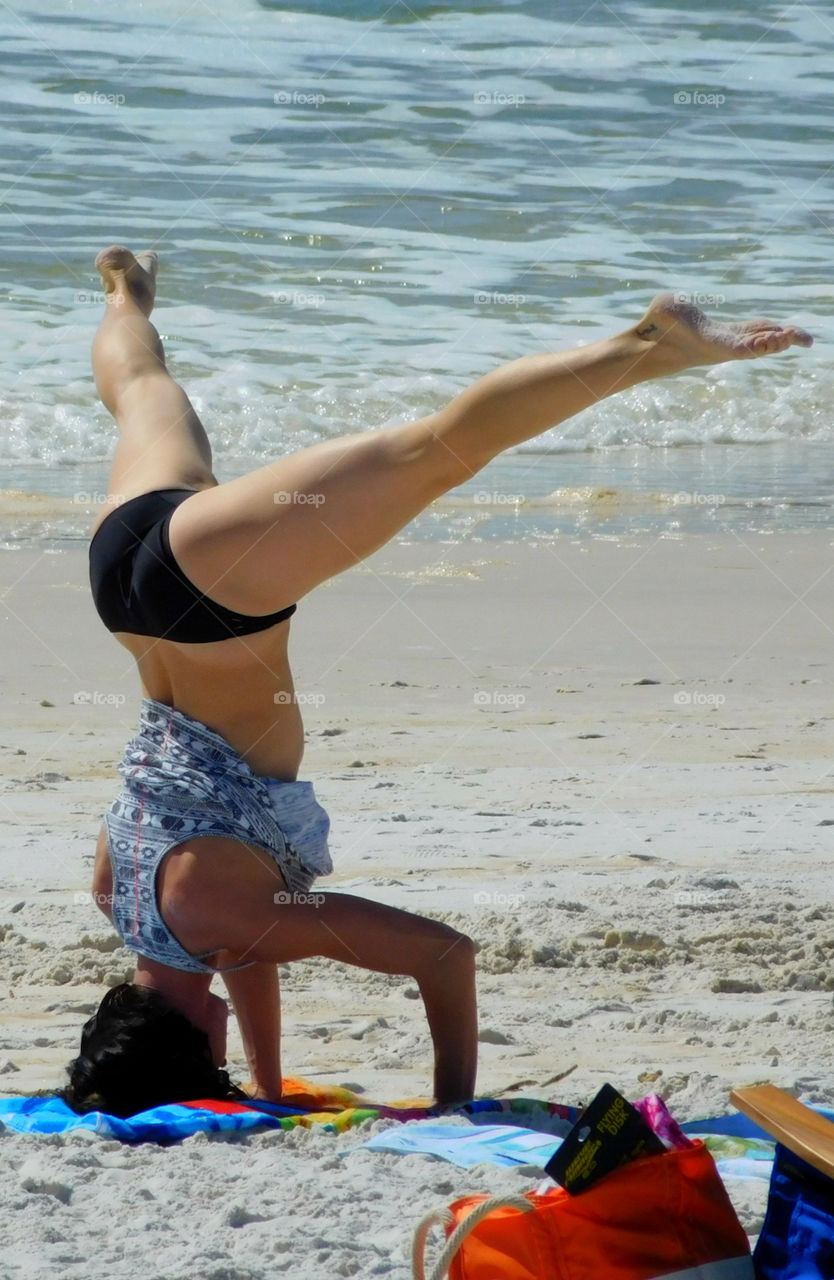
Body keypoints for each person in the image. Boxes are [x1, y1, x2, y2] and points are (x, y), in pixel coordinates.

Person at [64, 246, 812, 1117]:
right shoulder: (124, 897)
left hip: (218, 602)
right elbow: (238, 948)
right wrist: (267, 1087)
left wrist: (454, 1109)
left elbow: (444, 956)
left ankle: (653, 341)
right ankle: (127, 293)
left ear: (193, 1053)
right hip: (122, 575)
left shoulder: (233, 922)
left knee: (437, 451)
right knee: (143, 392)